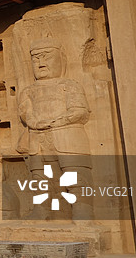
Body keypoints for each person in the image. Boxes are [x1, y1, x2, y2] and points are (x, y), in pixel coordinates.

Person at [17, 38, 92, 219]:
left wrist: (56, 121)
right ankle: (41, 210)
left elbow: (80, 111)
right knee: (38, 177)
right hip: (38, 138)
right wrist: (35, 123)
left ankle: (82, 211)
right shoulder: (28, 90)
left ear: (61, 59)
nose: (41, 63)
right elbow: (25, 113)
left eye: (46, 57)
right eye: (36, 59)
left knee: (74, 176)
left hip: (67, 137)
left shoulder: (69, 86)